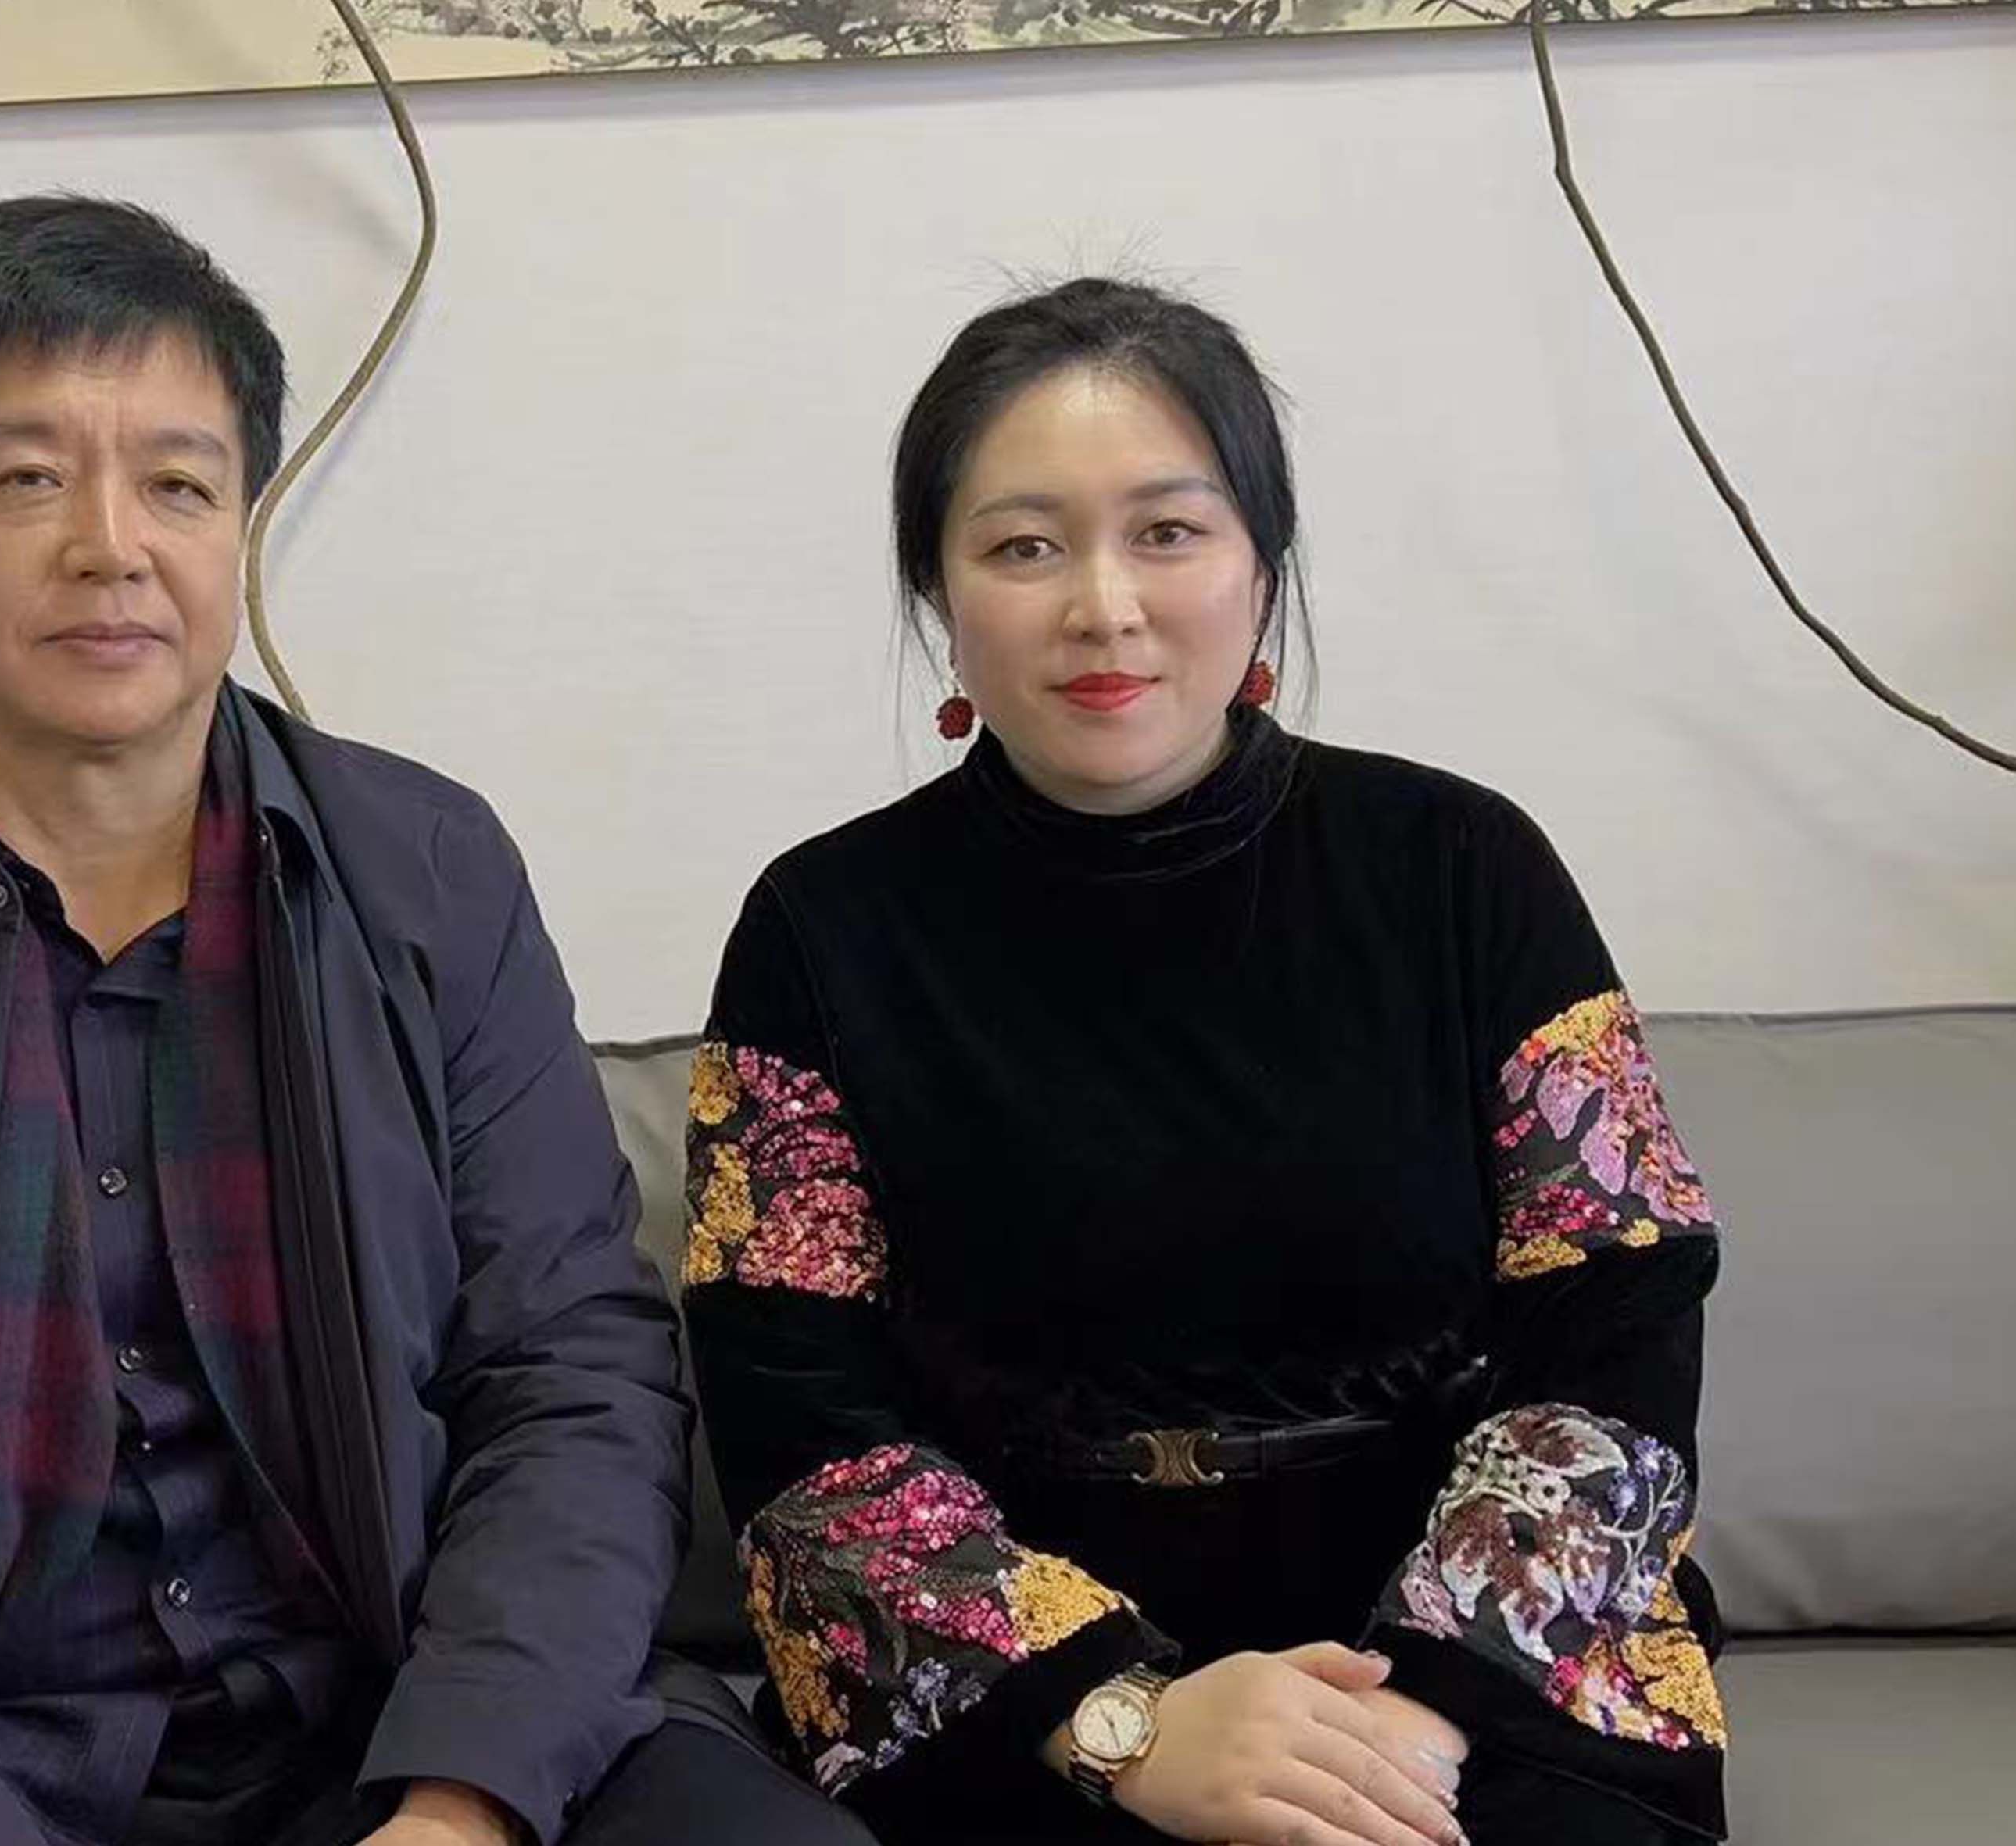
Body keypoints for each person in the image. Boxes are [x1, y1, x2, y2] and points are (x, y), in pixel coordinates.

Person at [0, 193, 871, 1846]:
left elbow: (568, 1373)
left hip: (386, 1728)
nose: (110, 544)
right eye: (25, 478)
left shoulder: (426, 874)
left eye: (178, 483)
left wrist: (466, 1795)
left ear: (239, 529)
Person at [681, 278, 1727, 1846]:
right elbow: (789, 1400)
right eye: (1023, 546)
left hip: (1470, 1660)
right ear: (938, 591)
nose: (1102, 606)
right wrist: (1121, 1721)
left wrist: (1407, 1721)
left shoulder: (1461, 866)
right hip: (1006, 1687)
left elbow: (1618, 1314)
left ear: (1260, 565)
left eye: (1166, 531)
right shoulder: (818, 926)